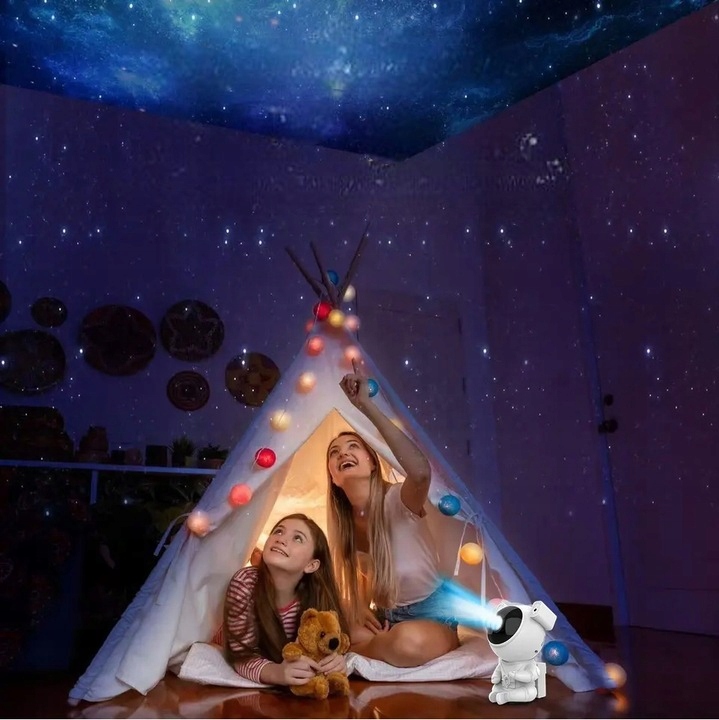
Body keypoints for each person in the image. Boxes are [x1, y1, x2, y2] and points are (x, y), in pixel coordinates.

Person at [327, 360, 460, 668]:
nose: (343, 453)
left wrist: (366, 406)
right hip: (386, 619)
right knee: (337, 623)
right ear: (333, 477)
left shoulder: (398, 499)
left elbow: (421, 472)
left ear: (373, 462)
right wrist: (360, 610)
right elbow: (361, 590)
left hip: (432, 616)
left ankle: (362, 650)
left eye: (352, 446)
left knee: (405, 643)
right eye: (334, 452)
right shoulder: (345, 525)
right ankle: (374, 646)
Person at [220, 513, 349, 687]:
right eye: (278, 531)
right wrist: (276, 672)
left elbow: (334, 643)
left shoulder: (317, 598)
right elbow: (240, 655)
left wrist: (337, 660)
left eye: (297, 538)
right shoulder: (245, 583)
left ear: (311, 565)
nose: (281, 539)